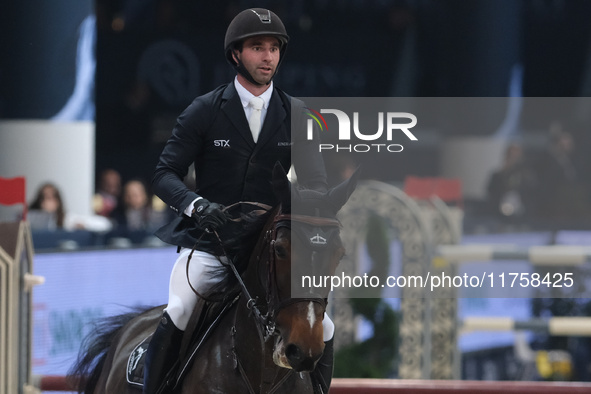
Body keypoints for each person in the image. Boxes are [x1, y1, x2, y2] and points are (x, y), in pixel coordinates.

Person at [144, 8, 332, 394]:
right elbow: (164, 174)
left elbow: (315, 183)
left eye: (274, 49)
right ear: (236, 55)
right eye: (258, 48)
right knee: (179, 310)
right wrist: (197, 205)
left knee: (324, 325)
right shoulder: (205, 110)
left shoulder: (297, 114)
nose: (268, 57)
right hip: (212, 243)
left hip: (273, 249)